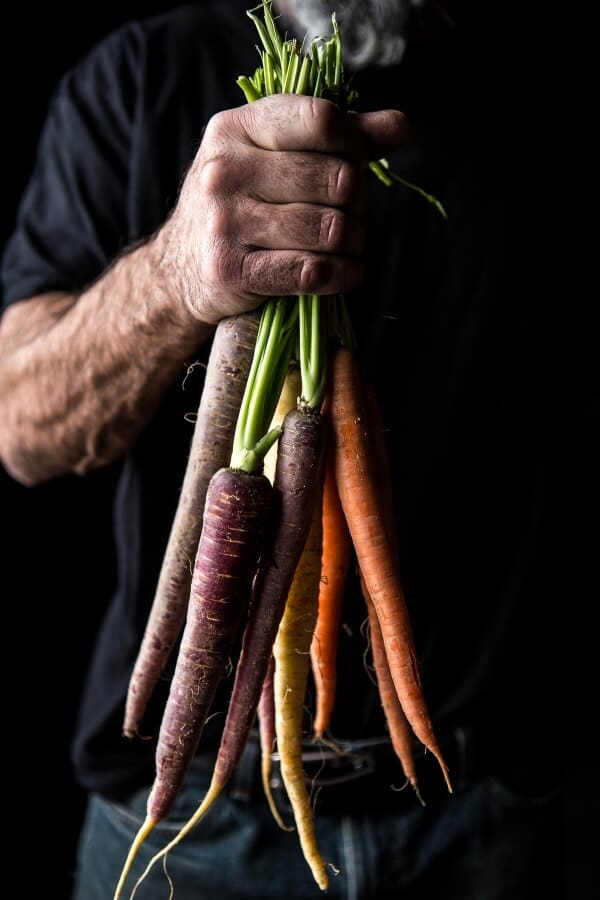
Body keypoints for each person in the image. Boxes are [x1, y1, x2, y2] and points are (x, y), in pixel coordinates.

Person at [0, 1, 575, 898]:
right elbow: (22, 428)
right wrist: (179, 279)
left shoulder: (547, 92)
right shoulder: (139, 77)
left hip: (499, 809)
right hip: (192, 809)